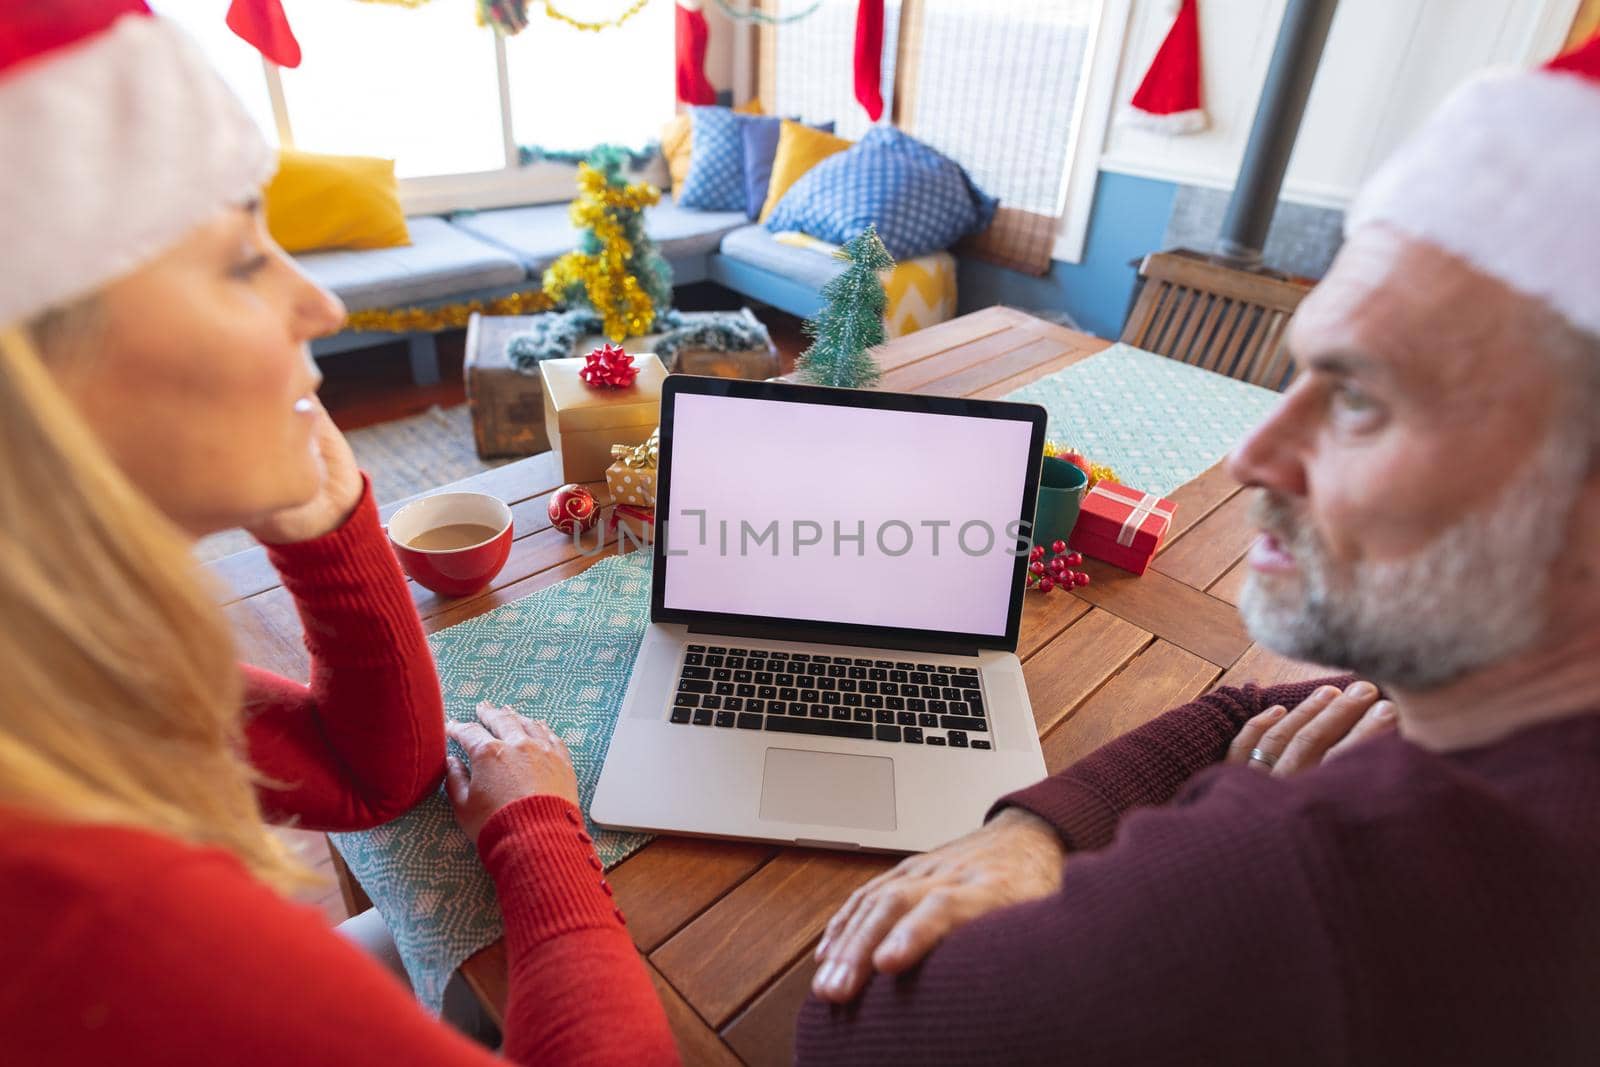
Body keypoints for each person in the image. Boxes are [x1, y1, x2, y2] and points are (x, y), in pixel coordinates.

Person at [797, 34, 1600, 1066]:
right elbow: (1250, 708)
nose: (1251, 453)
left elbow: (848, 1027)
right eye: (1302, 372)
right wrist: (1027, 832)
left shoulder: (1316, 880)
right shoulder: (1507, 698)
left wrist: (1251, 795)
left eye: (1358, 397)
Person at [0, 3, 676, 1063]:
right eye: (237, 263)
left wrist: (321, 527)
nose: (315, 300)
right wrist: (538, 829)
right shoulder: (87, 915)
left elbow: (373, 775)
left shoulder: (68, 672)